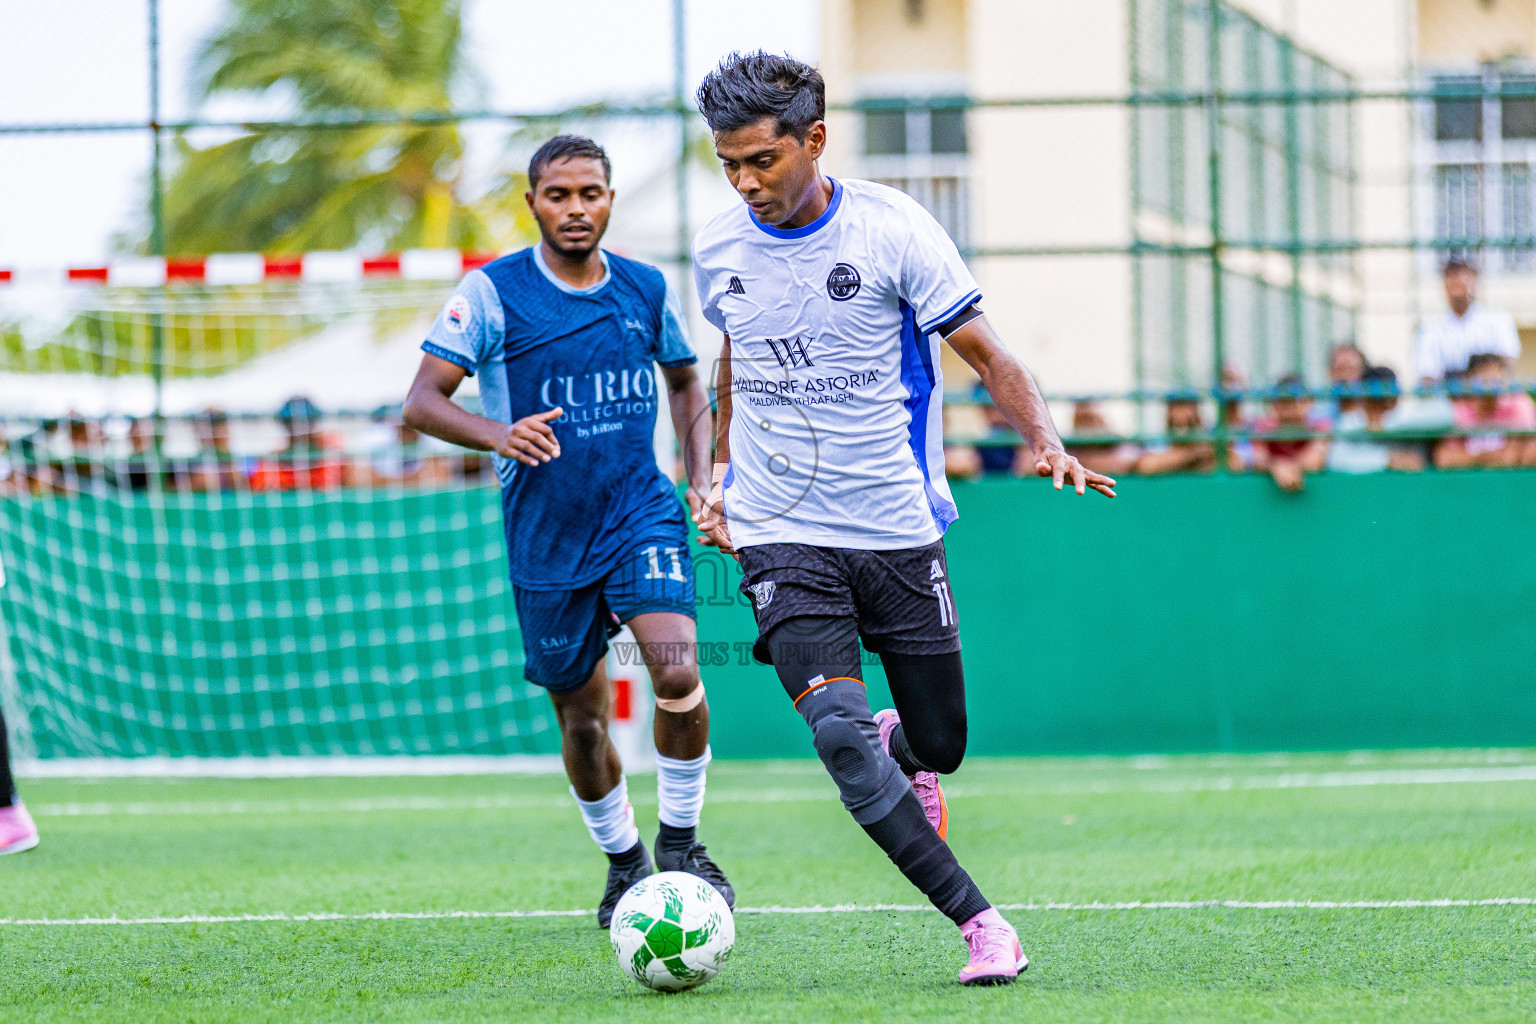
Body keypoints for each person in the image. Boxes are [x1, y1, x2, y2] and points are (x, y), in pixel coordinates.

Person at [690, 52, 1114, 987]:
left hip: (894, 528)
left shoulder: (895, 231)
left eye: (762, 159)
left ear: (815, 139)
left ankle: (905, 747)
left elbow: (987, 354)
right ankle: (982, 924)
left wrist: (1044, 440)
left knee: (943, 746)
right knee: (838, 735)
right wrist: (719, 474)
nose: (746, 182)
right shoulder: (718, 246)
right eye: (729, 164)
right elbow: (733, 360)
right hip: (779, 529)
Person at [402, 135, 733, 927]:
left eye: (590, 193)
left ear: (610, 199)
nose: (576, 208)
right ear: (533, 204)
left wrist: (701, 478)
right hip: (546, 534)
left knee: (678, 673)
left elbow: (687, 380)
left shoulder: (646, 288)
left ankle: (682, 845)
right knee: (581, 716)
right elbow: (421, 401)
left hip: (638, 511)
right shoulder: (490, 295)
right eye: (559, 195)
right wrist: (497, 433)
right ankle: (625, 864)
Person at [1414, 259, 1521, 385]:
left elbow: (1507, 363)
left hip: (1489, 398)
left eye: (1462, 274)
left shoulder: (1498, 320)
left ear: (1475, 280)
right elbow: (1427, 375)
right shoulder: (1429, 329)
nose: (1456, 281)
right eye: (1451, 276)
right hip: (1447, 400)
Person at [1434, 353, 1536, 469]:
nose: (1489, 386)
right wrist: (1486, 457)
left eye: (1495, 379)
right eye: (1483, 379)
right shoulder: (1459, 410)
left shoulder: (1518, 404)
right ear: (1470, 380)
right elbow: (1445, 458)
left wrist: (1469, 458)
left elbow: (1510, 458)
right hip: (1468, 483)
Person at [1327, 366, 1425, 474]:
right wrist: (1386, 460)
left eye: (1385, 401)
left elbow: (1443, 416)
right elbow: (1335, 459)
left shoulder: (1405, 419)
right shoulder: (1348, 422)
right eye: (1372, 402)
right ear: (1362, 400)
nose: (1377, 409)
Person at [1250, 374, 1331, 493]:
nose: (1287, 404)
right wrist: (1276, 466)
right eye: (1282, 399)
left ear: (1309, 402)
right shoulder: (1263, 428)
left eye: (1293, 398)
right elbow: (1259, 461)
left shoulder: (1319, 427)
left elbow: (1313, 463)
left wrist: (1281, 466)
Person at [248, 397, 348, 491]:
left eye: (306, 422)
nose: (300, 428)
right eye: (292, 422)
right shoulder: (269, 466)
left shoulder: (332, 458)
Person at [1135, 394, 1216, 475]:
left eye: (1186, 406)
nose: (1180, 414)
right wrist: (1192, 455)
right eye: (1175, 407)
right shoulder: (1159, 436)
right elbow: (1147, 465)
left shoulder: (1209, 433)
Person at [1067, 400, 1140, 477]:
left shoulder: (1116, 441)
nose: (1088, 426)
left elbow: (1146, 462)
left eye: (1091, 419)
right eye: (1082, 419)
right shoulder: (1069, 444)